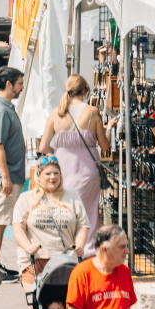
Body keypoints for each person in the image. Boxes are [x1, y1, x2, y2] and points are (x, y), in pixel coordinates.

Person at [12, 156, 89, 309]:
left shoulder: (71, 197)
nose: (52, 177)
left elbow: (83, 225)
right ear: (39, 176)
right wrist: (28, 246)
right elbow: (18, 227)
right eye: (48, 174)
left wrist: (79, 245)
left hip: (65, 262)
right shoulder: (26, 199)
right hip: (35, 262)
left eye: (56, 173)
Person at [39, 74, 112, 253]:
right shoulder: (92, 112)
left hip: (62, 173)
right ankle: (86, 251)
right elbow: (104, 146)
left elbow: (43, 146)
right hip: (87, 173)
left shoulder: (55, 113)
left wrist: (59, 156)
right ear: (85, 91)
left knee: (64, 212)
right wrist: (109, 129)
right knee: (88, 214)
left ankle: (65, 248)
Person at [0, 66, 26, 268]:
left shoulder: (4, 107)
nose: (22, 87)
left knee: (0, 221)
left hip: (6, 174)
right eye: (19, 83)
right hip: (2, 177)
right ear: (8, 84)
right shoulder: (0, 110)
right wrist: (5, 177)